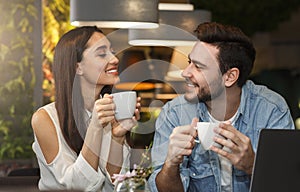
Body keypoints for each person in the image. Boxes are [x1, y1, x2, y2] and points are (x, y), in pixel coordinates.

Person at [148, 22, 295, 192]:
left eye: (199, 67)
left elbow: (288, 184)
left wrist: (252, 166)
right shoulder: (174, 113)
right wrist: (171, 164)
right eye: (189, 62)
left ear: (230, 77)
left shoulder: (271, 109)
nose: (185, 72)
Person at [31, 26, 140, 191]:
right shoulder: (45, 119)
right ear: (77, 67)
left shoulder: (112, 111)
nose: (115, 59)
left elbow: (116, 183)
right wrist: (95, 127)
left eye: (112, 51)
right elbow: (78, 186)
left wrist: (117, 137)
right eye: (102, 54)